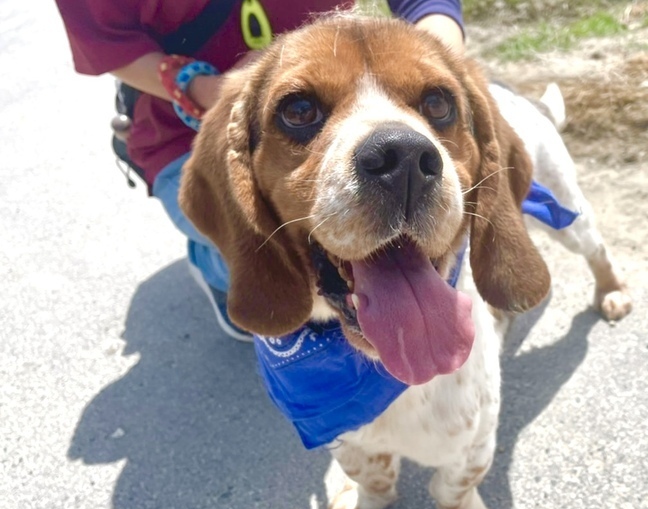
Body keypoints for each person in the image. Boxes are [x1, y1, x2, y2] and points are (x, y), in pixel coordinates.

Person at [56, 0, 464, 341]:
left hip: (372, 89)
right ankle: (216, 263)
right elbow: (108, 45)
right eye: (299, 108)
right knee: (244, 252)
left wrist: (436, 68)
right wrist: (198, 86)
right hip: (185, 131)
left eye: (438, 103)